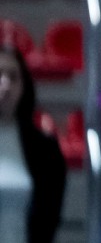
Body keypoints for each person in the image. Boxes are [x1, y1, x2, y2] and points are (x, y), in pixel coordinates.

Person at [0, 44, 65, 243]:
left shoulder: (45, 149)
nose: (5, 85)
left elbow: (49, 219)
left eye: (13, 77)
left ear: (24, 85)